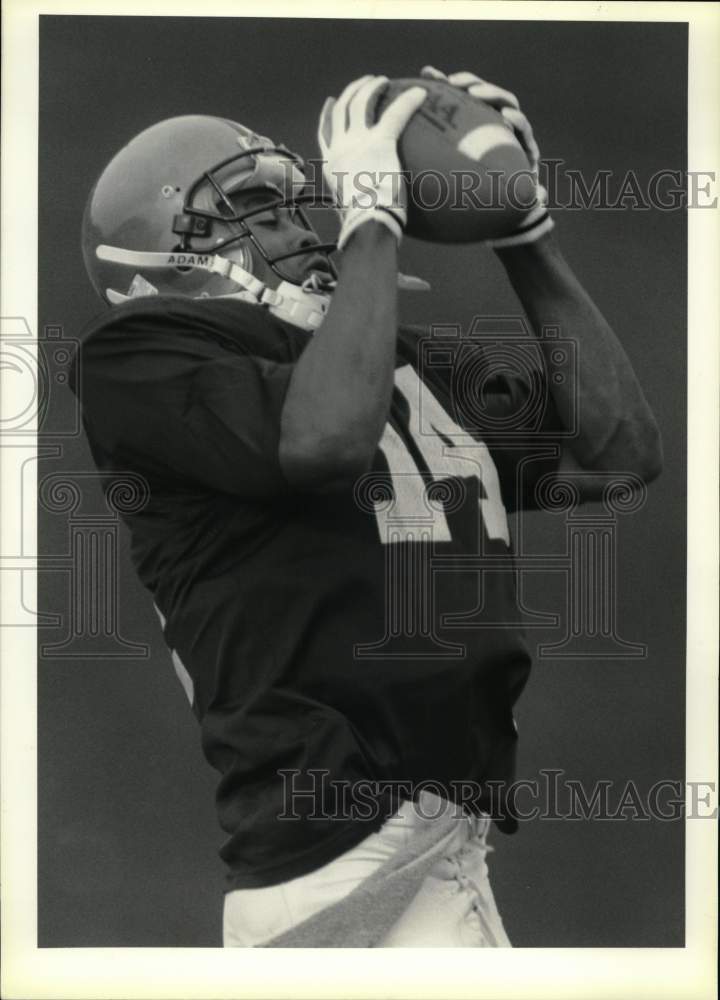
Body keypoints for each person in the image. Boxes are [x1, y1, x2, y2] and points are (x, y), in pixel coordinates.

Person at [71, 67, 662, 947]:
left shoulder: (397, 362)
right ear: (168, 254)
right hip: (340, 870)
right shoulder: (138, 357)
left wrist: (522, 230)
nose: (302, 229)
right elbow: (323, 440)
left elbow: (615, 455)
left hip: (430, 855)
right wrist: (374, 224)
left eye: (298, 206)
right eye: (259, 210)